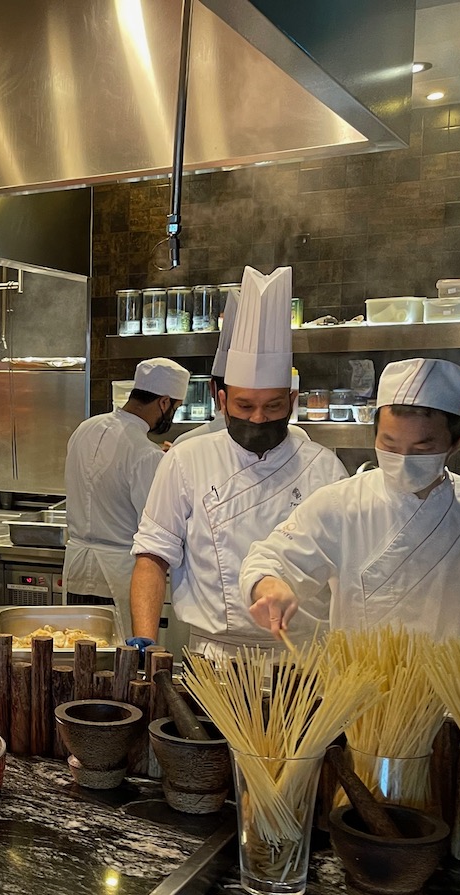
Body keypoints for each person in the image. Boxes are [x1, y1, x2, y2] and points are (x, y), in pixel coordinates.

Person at [129, 266, 346, 655]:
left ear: (292, 402)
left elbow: (345, 571)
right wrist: (145, 639)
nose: (259, 418)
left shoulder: (324, 468)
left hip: (300, 659)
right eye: (245, 405)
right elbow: (152, 555)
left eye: (273, 405)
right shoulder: (185, 460)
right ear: (222, 400)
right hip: (213, 657)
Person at [243, 357, 460, 640]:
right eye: (389, 444)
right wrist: (271, 588)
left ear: (456, 444)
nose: (404, 460)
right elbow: (267, 558)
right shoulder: (340, 503)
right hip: (361, 680)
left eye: (422, 448)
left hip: (450, 682)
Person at [63, 357, 186, 638]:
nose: (171, 416)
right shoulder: (145, 454)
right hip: (118, 574)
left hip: (78, 565)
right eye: (175, 408)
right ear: (164, 403)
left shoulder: (85, 428)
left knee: (75, 646)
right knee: (114, 660)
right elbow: (154, 523)